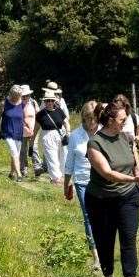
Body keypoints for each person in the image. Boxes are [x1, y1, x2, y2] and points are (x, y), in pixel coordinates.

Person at [86, 99, 139, 277]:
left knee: (128, 237)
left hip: (128, 197)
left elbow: (137, 167)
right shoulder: (95, 143)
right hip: (101, 200)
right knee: (105, 239)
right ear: (109, 120)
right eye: (122, 119)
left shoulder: (127, 138)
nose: (125, 123)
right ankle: (108, 276)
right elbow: (107, 173)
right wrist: (133, 179)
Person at [63, 101, 100, 259]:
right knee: (88, 216)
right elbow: (69, 161)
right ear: (83, 118)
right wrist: (66, 184)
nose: (91, 122)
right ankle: (96, 255)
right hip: (82, 180)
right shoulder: (75, 136)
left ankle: (104, 246)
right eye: (88, 119)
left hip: (101, 180)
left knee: (103, 215)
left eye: (94, 118)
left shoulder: (104, 133)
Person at [35, 88, 70, 182]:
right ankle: (56, 178)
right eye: (47, 101)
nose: (49, 102)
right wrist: (32, 143)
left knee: (63, 156)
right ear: (44, 101)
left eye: (51, 100)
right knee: (52, 157)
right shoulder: (40, 114)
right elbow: (36, 129)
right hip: (47, 136)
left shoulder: (59, 111)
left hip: (60, 135)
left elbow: (66, 123)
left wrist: (68, 134)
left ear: (54, 101)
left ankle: (62, 176)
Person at [0, 86, 26, 180]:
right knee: (14, 151)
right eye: (15, 96)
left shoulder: (22, 104)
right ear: (11, 94)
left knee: (16, 153)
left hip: (18, 132)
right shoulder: (4, 104)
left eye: (18, 96)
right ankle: (19, 174)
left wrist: (28, 127)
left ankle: (12, 172)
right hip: (7, 132)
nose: (17, 98)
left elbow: (25, 118)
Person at [19, 85, 40, 179]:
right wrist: (25, 126)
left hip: (33, 130)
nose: (25, 97)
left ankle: (37, 169)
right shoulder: (17, 104)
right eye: (23, 96)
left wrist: (34, 129)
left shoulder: (33, 102)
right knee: (22, 151)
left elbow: (38, 115)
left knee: (34, 149)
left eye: (27, 95)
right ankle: (23, 170)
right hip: (21, 131)